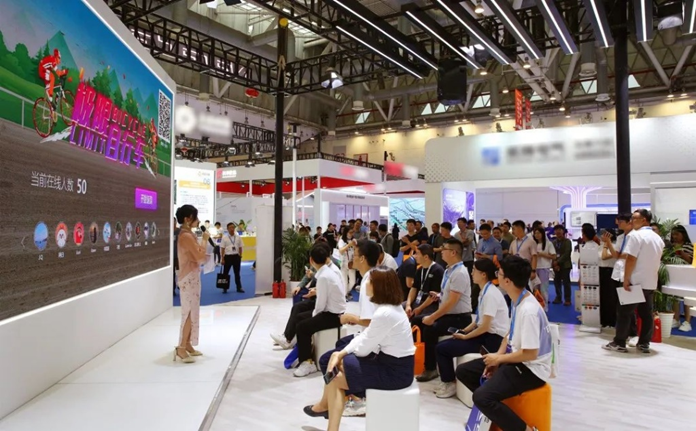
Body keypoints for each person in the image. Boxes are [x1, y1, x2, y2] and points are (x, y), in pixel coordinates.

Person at [304, 267, 415, 430]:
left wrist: (340, 355)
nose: (366, 283)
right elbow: (366, 337)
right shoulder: (390, 308)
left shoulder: (385, 313)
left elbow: (364, 347)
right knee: (335, 368)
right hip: (393, 365)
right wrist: (341, 353)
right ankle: (329, 417)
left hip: (395, 372)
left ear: (379, 286)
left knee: (337, 370)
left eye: (370, 281)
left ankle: (332, 411)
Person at [457, 256, 551, 431]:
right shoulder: (518, 299)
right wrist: (498, 356)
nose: (496, 276)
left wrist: (499, 360)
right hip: (515, 358)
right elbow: (509, 333)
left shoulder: (528, 310)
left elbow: (530, 354)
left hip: (531, 369)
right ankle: (495, 410)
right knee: (464, 371)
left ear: (507, 281)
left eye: (499, 273)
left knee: (481, 397)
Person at [319, 240, 381, 417]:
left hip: (374, 340)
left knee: (327, 360)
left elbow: (371, 321)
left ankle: (356, 397)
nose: (352, 258)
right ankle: (339, 399)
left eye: (355, 254)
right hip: (374, 336)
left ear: (363, 258)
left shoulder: (369, 281)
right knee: (341, 344)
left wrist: (350, 318)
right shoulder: (376, 276)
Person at [434, 259, 510, 398]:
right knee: (444, 345)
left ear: (483, 274)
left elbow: (485, 326)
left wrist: (465, 337)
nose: (472, 273)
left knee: (442, 349)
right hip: (485, 335)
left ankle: (449, 383)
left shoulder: (490, 294)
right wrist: (464, 331)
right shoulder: (484, 291)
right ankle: (448, 380)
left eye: (474, 270)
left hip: (492, 340)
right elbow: (479, 321)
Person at [603, 209, 665, 354]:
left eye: (634, 218)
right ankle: (644, 343)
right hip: (650, 281)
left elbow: (631, 258)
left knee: (624, 313)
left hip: (635, 281)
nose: (631, 221)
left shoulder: (635, 236)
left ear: (644, 220)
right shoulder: (657, 238)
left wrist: (626, 279)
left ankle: (619, 342)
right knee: (646, 314)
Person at [415, 238, 473, 382]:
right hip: (449, 314)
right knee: (417, 320)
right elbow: (449, 296)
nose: (441, 251)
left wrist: (433, 317)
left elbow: (452, 302)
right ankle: (418, 358)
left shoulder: (459, 273)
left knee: (430, 328)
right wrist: (439, 295)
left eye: (444, 249)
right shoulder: (448, 270)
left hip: (459, 318)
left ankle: (431, 369)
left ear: (453, 252)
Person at [290, 245, 347, 377]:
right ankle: (304, 350)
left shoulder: (324, 277)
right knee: (300, 317)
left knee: (303, 326)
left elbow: (320, 305)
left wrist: (313, 317)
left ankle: (307, 363)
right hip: (332, 311)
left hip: (334, 315)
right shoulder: (327, 273)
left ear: (311, 260)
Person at [174, 205, 209, 363]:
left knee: (193, 311)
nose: (199, 221)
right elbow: (199, 257)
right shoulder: (186, 236)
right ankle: (181, 347)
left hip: (192, 276)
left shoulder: (187, 235)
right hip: (188, 277)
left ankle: (187, 343)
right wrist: (205, 240)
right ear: (187, 219)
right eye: (196, 217)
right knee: (188, 312)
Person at [405, 244, 445, 321]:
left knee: (416, 319)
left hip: (430, 304)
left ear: (426, 257)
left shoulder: (438, 271)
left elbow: (433, 296)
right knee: (400, 309)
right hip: (418, 301)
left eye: (417, 254)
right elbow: (414, 288)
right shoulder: (420, 270)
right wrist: (408, 305)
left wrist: (420, 308)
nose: (415, 256)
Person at [670, 225, 693, 331]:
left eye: (677, 234)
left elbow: (690, 260)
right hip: (675, 274)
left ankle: (687, 321)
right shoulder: (671, 246)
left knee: (687, 299)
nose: (674, 236)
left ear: (683, 234)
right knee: (675, 297)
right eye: (673, 234)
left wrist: (680, 250)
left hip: (687, 274)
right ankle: (676, 319)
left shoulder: (690, 246)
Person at [533, 227, 556, 311]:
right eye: (535, 233)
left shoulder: (548, 244)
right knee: (535, 289)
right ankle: (536, 307)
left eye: (539, 233)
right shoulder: (533, 244)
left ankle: (544, 307)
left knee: (543, 288)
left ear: (543, 234)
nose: (537, 235)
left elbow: (553, 256)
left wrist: (542, 254)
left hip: (544, 267)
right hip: (534, 268)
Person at [221, 222, 244, 293]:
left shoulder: (238, 237)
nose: (232, 229)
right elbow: (222, 248)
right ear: (227, 229)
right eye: (230, 227)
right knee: (225, 273)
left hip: (236, 257)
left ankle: (239, 287)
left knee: (237, 273)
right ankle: (224, 288)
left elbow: (240, 247)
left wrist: (240, 255)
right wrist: (222, 258)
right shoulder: (224, 238)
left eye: (233, 227)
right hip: (228, 257)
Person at [552, 225, 572, 305]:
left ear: (563, 231)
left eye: (560, 229)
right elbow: (552, 254)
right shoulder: (553, 242)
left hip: (565, 265)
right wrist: (554, 263)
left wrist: (558, 262)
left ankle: (567, 299)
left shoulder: (567, 241)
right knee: (556, 282)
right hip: (555, 265)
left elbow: (567, 254)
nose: (558, 231)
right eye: (556, 230)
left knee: (566, 283)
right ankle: (558, 297)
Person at [338, 228, 357, 298]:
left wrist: (354, 246)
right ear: (346, 232)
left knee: (353, 281)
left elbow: (357, 250)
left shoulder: (354, 240)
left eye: (352, 232)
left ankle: (346, 292)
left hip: (351, 263)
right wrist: (349, 245)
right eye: (350, 232)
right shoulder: (341, 241)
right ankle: (344, 295)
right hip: (343, 263)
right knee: (344, 281)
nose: (351, 234)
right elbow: (341, 251)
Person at [173, 217, 180, 296]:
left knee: (179, 272)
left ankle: (180, 285)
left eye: (174, 221)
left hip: (178, 255)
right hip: (170, 256)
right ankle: (172, 289)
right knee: (172, 273)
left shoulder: (179, 231)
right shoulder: (168, 231)